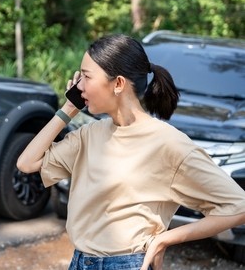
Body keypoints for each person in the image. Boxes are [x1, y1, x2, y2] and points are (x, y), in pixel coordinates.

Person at [17, 34, 245, 270]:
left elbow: (239, 207)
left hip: (129, 264)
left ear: (118, 84)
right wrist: (69, 108)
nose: (79, 86)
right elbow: (26, 163)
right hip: (79, 262)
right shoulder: (89, 134)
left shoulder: (169, 144)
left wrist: (165, 238)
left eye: (86, 77)